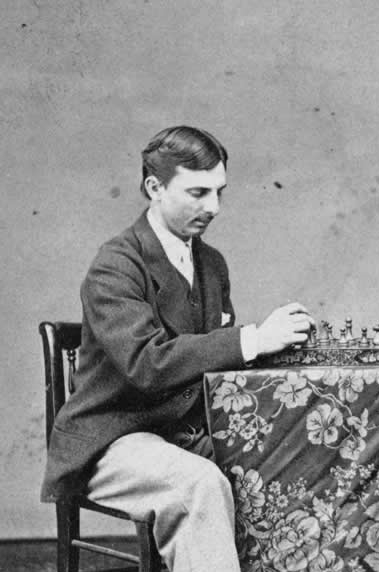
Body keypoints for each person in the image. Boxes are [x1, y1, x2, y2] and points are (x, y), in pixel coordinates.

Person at [41, 125, 315, 572]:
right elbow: (147, 365)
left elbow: (216, 361)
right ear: (155, 187)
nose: (213, 207)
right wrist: (253, 339)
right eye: (198, 192)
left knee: (289, 461)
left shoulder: (211, 264)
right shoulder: (116, 265)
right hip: (112, 440)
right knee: (198, 486)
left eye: (219, 192)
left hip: (184, 434)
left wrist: (277, 349)